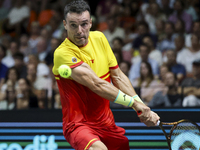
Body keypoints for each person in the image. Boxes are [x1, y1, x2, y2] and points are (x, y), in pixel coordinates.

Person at [52, 1, 160, 150]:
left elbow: (118, 76)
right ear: (65, 24)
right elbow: (97, 84)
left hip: (106, 123)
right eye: (73, 25)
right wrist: (134, 104)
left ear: (90, 23)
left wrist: (141, 106)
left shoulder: (100, 38)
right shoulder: (62, 53)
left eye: (84, 24)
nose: (79, 31)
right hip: (78, 124)